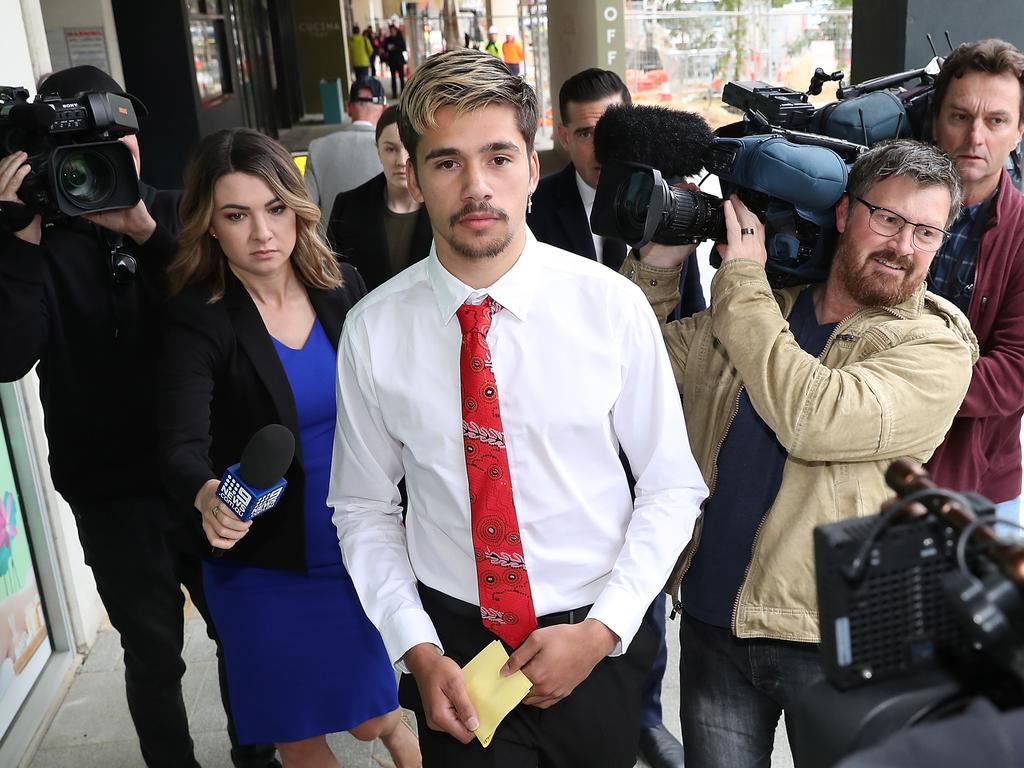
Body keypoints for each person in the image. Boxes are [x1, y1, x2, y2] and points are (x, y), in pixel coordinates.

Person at [329, 48, 707, 768]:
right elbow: (363, 508)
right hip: (453, 647)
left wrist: (601, 633)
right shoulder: (375, 328)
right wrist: (416, 649)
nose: (476, 186)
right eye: (446, 162)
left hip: (594, 639)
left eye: (499, 157)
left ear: (533, 169)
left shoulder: (611, 308)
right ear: (411, 172)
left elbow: (671, 486)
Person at [621, 139, 978, 767]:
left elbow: (813, 418)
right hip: (713, 618)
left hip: (833, 637)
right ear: (844, 214)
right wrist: (661, 255)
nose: (903, 246)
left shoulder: (934, 346)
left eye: (927, 232)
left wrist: (739, 281)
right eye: (888, 219)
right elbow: (624, 355)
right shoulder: (764, 306)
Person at [0, 66, 278, 768]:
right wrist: (18, 243)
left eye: (120, 142)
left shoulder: (178, 215)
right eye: (87, 151)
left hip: (205, 474)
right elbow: (10, 355)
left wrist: (147, 231)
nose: (107, 161)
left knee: (240, 630)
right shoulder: (30, 239)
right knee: (152, 652)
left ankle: (258, 758)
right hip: (107, 485)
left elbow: (237, 308)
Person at [157, 128, 421, 768]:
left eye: (275, 208)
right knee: (297, 729)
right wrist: (208, 495)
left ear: (298, 206)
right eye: (236, 215)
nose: (262, 233)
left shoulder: (344, 288)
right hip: (262, 564)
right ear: (209, 226)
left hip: (356, 545)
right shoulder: (200, 316)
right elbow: (179, 444)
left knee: (376, 715)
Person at [527, 67, 699, 768]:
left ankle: (643, 716)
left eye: (612, 126)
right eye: (587, 130)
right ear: (563, 134)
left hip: (650, 419)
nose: (601, 142)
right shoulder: (533, 205)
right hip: (569, 427)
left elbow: (690, 309)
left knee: (646, 574)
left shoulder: (675, 203)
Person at [924, 38, 1024, 524]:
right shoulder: (882, 207)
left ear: (1019, 131)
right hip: (865, 471)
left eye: (997, 120)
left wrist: (901, 389)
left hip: (975, 488)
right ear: (936, 120)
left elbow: (1016, 371)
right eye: (960, 116)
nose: (976, 137)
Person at [327, 106, 432, 291]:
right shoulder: (348, 206)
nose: (401, 160)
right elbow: (332, 282)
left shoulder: (443, 205)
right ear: (378, 151)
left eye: (408, 148)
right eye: (390, 149)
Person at [304, 77, 386, 215]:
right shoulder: (398, 150)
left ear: (348, 107)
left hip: (331, 236)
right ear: (385, 109)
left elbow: (306, 206)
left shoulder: (317, 148)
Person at [384, 23, 407, 99]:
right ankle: (394, 93)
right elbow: (385, 49)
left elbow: (404, 48)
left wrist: (395, 48)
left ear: (396, 31)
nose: (392, 32)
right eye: (391, 31)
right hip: (392, 61)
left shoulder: (399, 39)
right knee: (393, 78)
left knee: (401, 77)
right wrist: (389, 48)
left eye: (393, 31)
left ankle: (403, 93)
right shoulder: (388, 39)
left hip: (399, 60)